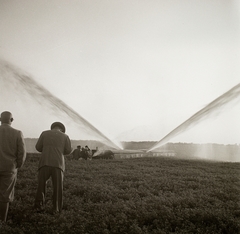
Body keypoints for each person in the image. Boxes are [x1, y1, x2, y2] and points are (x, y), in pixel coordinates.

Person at [34, 122, 72, 214]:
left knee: (41, 186)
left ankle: (39, 207)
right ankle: (56, 209)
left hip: (44, 163)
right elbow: (68, 150)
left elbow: (38, 147)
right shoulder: (65, 136)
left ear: (52, 127)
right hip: (58, 164)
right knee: (58, 187)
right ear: (61, 129)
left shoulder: (44, 133)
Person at [0, 111, 26, 222]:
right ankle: (2, 222)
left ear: (0, 119)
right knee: (5, 196)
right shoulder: (17, 133)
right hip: (9, 168)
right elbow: (22, 153)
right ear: (12, 120)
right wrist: (17, 165)